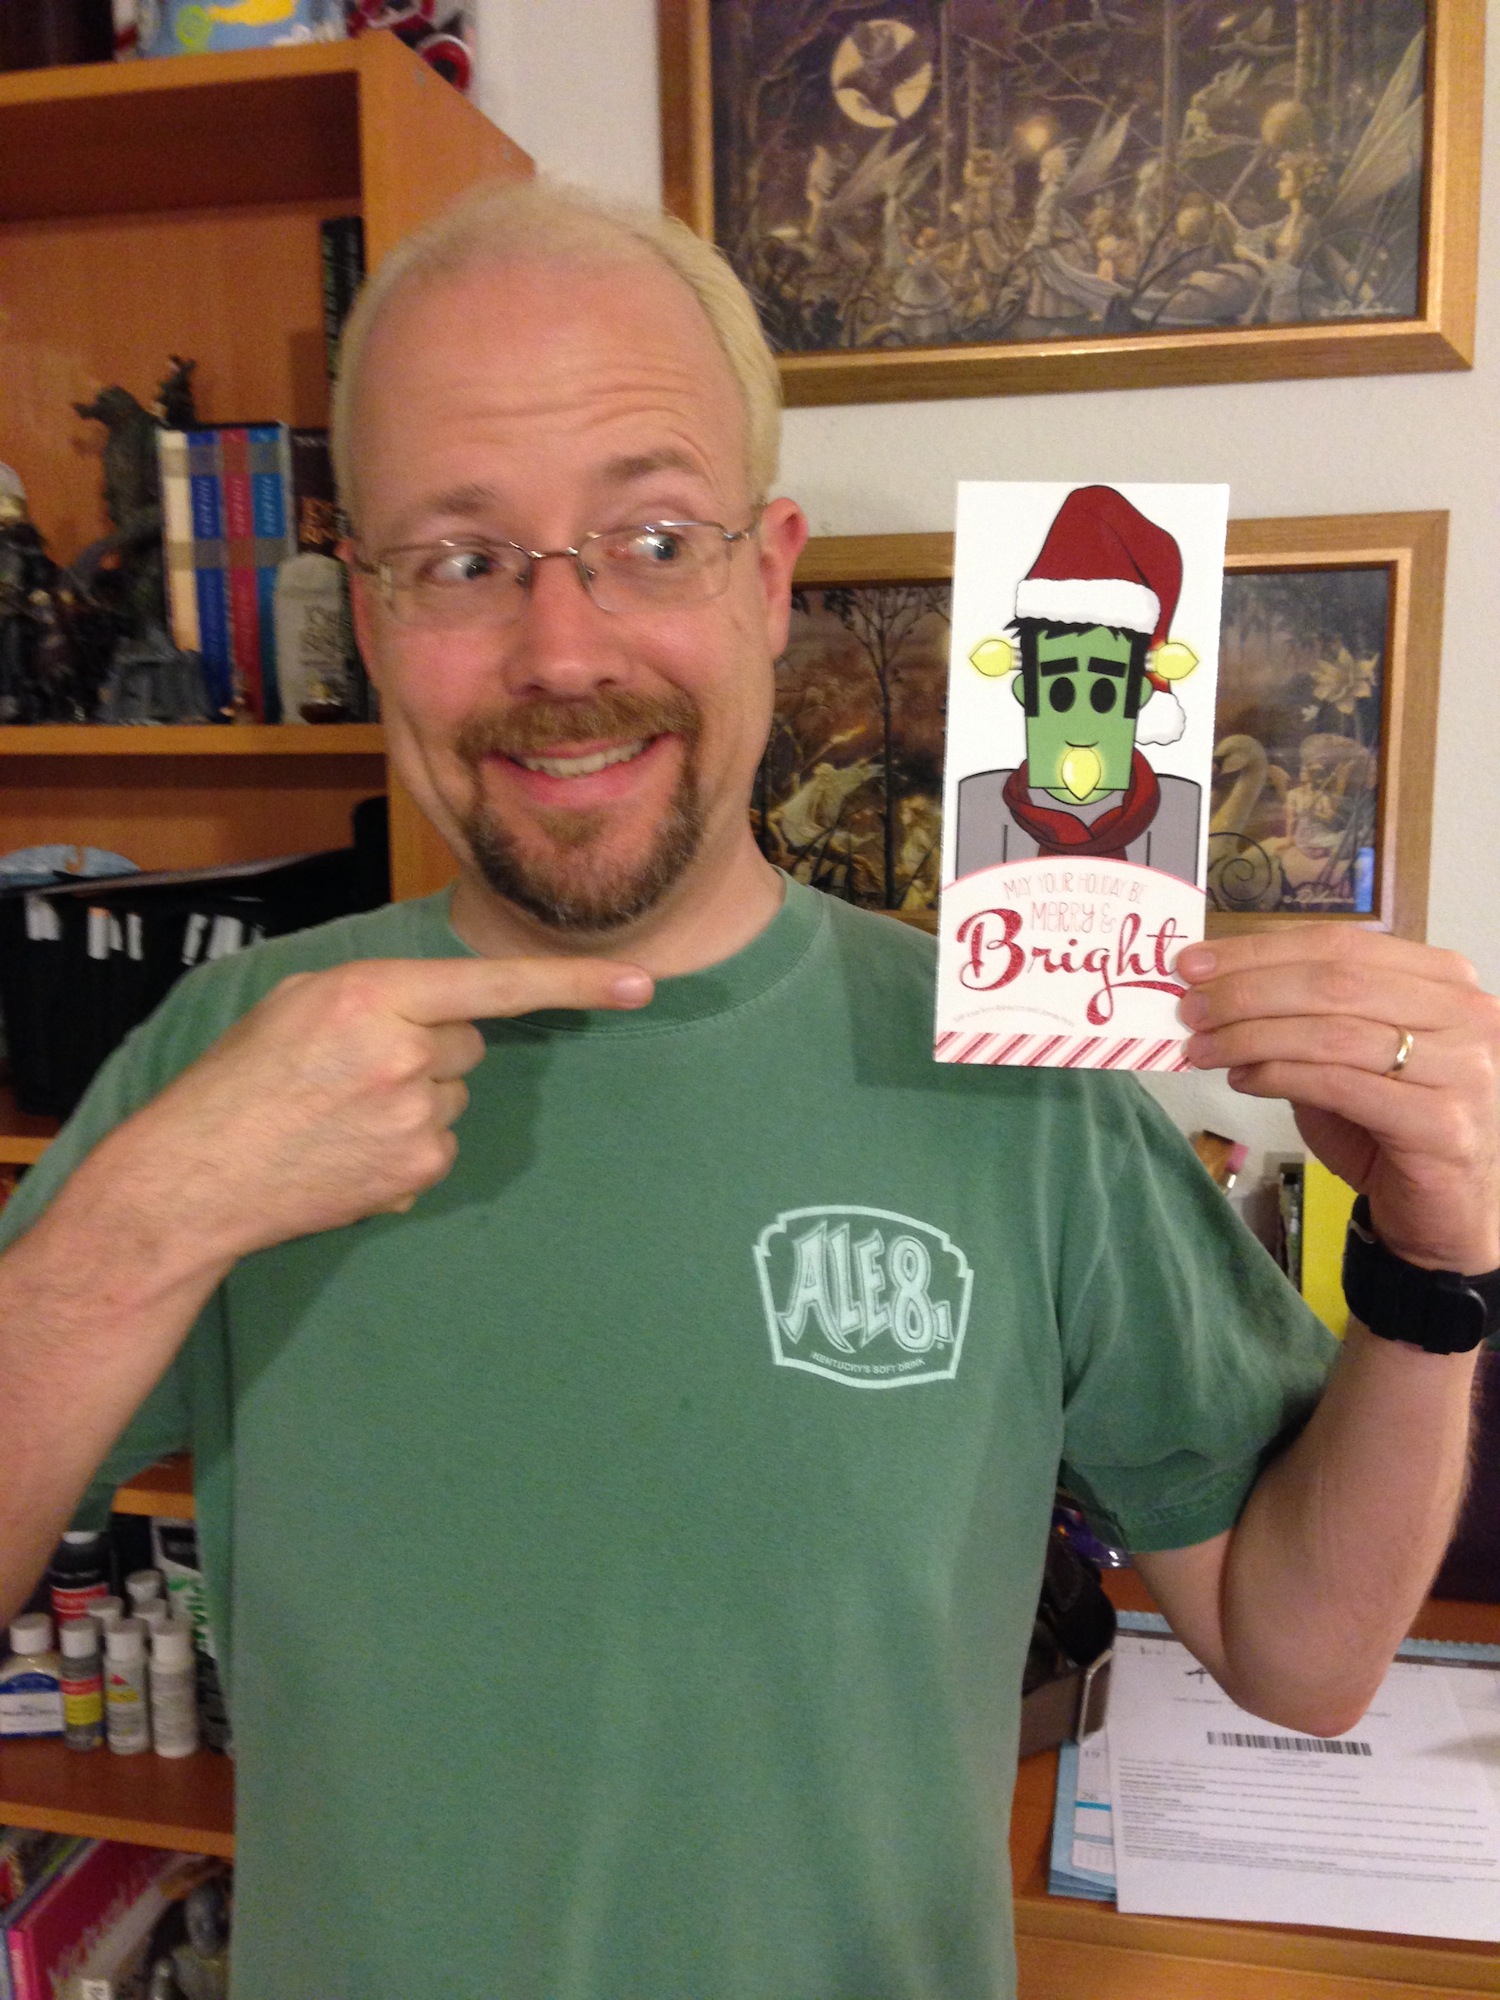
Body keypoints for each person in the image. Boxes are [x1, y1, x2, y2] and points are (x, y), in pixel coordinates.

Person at [0, 180, 1495, 2000]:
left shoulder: (1012, 1071)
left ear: (769, 574)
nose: (564, 653)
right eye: (463, 561)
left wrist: (1434, 1262)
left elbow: (1301, 1657)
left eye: (650, 536)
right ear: (374, 616)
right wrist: (149, 1216)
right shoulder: (229, 1058)